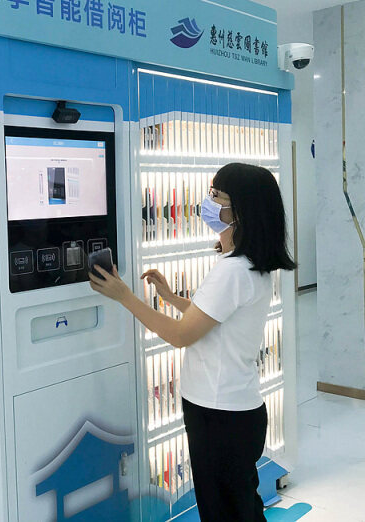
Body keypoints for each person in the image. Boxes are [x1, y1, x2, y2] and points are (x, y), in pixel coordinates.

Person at [89, 162, 296, 522]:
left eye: (216, 195)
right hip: (237, 410)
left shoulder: (232, 272)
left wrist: (124, 296)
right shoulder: (250, 265)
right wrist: (171, 298)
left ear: (240, 210)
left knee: (223, 512)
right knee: (241, 508)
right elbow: (213, 318)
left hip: (219, 415)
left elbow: (181, 335)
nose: (207, 201)